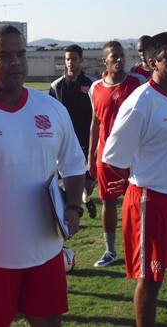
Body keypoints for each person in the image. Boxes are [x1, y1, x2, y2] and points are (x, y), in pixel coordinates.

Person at [0, 24, 86, 327]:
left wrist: (73, 206)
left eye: (20, 54)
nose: (15, 62)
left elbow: (73, 163)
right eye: (4, 55)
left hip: (46, 252)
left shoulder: (50, 108)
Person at [102, 32, 167, 327]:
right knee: (151, 280)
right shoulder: (141, 102)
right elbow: (112, 156)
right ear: (151, 63)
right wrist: (134, 180)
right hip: (150, 201)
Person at [88, 40, 146, 267]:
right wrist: (92, 155)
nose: (120, 59)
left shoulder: (138, 82)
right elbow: (95, 123)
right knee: (107, 201)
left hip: (135, 155)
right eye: (115, 56)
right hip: (106, 156)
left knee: (139, 201)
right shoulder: (95, 88)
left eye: (122, 55)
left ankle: (141, 247)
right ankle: (110, 251)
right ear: (105, 61)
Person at [49, 44, 98, 219]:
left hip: (88, 138)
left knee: (90, 180)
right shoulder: (56, 86)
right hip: (66, 141)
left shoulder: (92, 84)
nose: (70, 62)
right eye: (67, 59)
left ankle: (86, 196)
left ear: (81, 61)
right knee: (66, 178)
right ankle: (69, 214)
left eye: (74, 59)